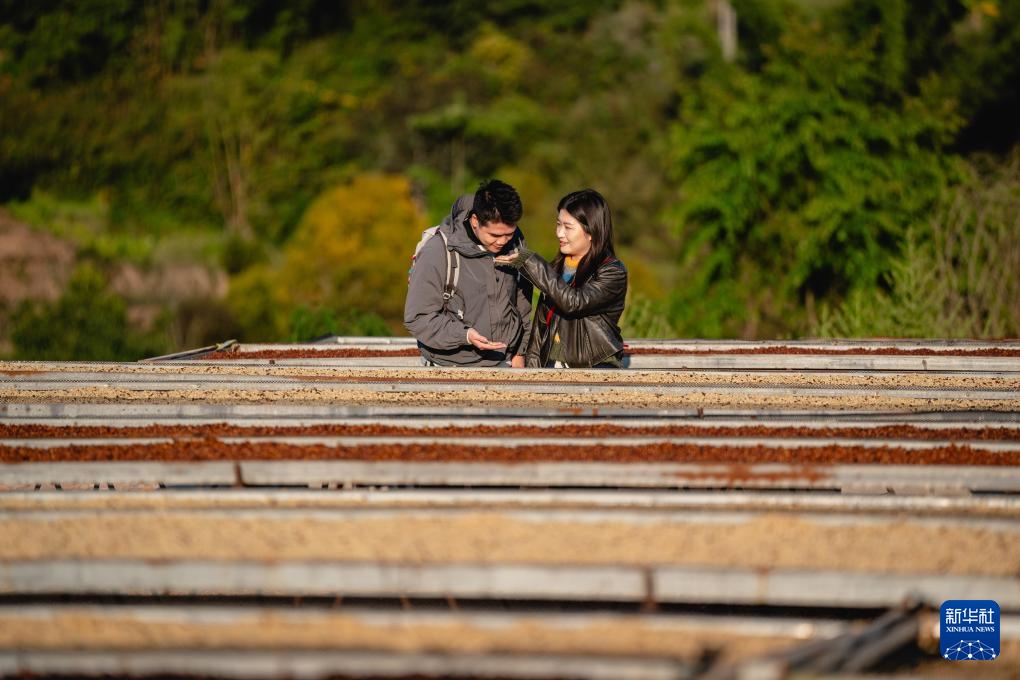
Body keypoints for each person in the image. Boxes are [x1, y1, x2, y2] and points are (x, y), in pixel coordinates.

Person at [404, 179, 533, 367]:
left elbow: (523, 300)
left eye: (509, 234)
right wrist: (464, 335)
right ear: (475, 221)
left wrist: (520, 352)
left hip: (506, 364)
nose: (503, 242)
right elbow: (417, 318)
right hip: (449, 368)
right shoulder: (436, 251)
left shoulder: (518, 243)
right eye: (495, 235)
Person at [494, 188, 627, 368]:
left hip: (594, 367)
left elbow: (574, 302)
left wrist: (531, 262)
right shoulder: (555, 268)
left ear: (591, 232)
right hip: (551, 366)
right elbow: (540, 328)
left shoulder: (612, 272)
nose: (559, 233)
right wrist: (532, 371)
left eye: (568, 227)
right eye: (558, 224)